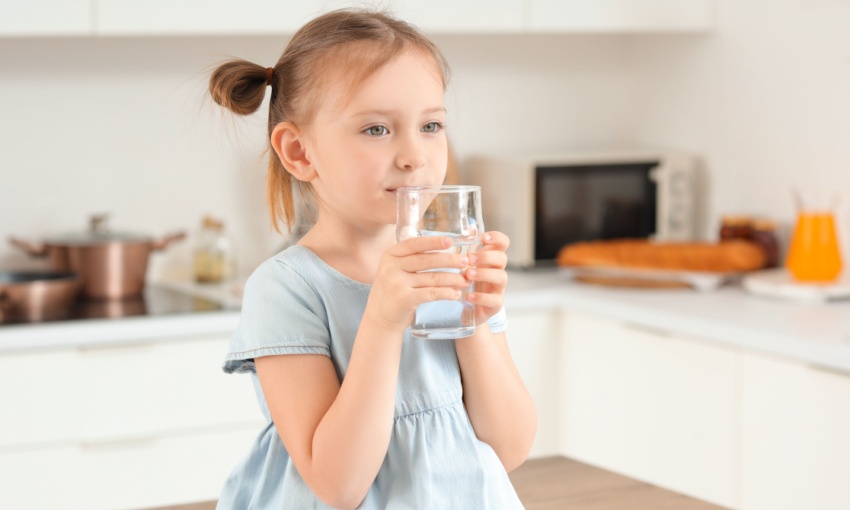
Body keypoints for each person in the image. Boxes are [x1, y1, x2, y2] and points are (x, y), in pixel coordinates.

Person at [208, 8, 537, 509]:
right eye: (377, 130)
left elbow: (509, 448)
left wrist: (474, 319)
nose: (414, 155)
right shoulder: (287, 287)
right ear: (299, 152)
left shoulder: (448, 263)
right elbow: (339, 484)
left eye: (431, 125)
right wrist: (383, 320)